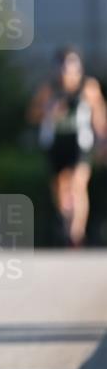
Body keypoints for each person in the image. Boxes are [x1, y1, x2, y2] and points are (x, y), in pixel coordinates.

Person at [29, 46, 107, 247]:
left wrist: (102, 140)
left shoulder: (88, 87)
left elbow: (99, 115)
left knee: (78, 184)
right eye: (63, 68)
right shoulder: (49, 89)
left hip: (80, 141)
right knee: (60, 186)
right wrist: (48, 111)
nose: (67, 73)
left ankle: (75, 233)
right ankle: (65, 218)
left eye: (71, 67)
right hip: (55, 142)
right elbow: (32, 115)